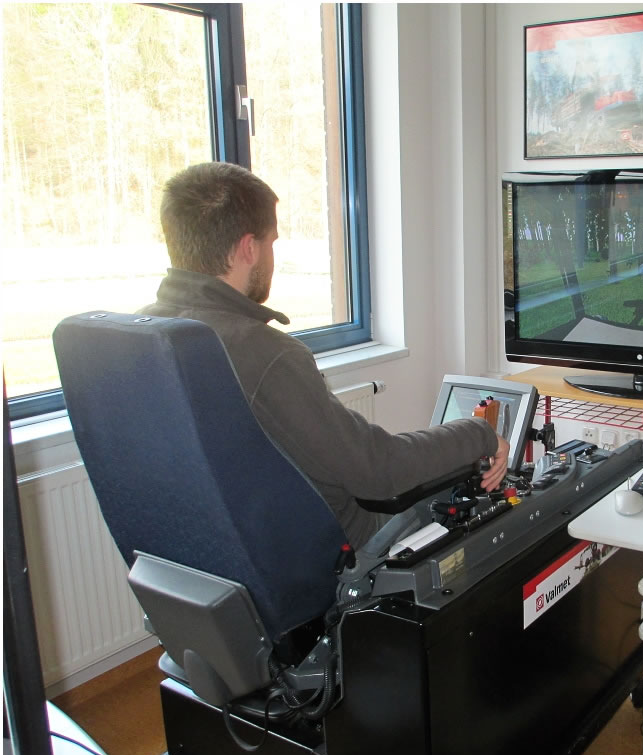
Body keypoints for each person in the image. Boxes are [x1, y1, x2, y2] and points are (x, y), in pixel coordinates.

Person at [138, 162, 509, 549]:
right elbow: (380, 469)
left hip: (205, 554)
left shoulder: (141, 336)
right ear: (249, 248)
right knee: (469, 503)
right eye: (271, 243)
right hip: (329, 552)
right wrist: (479, 434)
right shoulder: (265, 353)